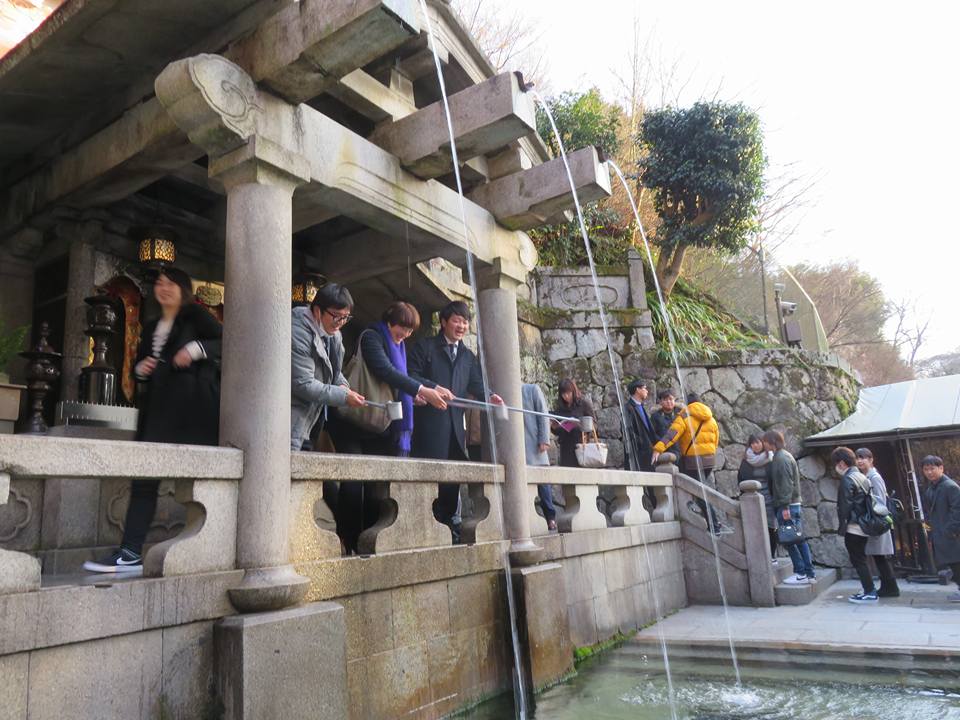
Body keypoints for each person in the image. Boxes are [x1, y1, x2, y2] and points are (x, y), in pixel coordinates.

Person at [85, 267, 222, 573]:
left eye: (170, 283)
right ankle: (130, 551)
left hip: (193, 412)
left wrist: (195, 349)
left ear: (183, 289)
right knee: (144, 479)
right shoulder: (151, 327)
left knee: (202, 482)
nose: (163, 288)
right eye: (160, 283)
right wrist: (141, 370)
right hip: (157, 411)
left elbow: (227, 341)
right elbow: (139, 367)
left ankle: (211, 547)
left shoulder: (196, 317)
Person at [331, 301, 450, 553]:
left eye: (410, 330)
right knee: (353, 482)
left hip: (379, 424)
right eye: (402, 328)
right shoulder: (372, 337)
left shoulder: (400, 346)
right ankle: (347, 541)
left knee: (376, 485)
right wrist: (422, 390)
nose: (405, 334)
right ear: (389, 321)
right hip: (352, 420)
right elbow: (385, 370)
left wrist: (427, 388)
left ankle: (368, 540)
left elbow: (402, 376)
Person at [408, 301, 501, 534]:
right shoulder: (425, 347)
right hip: (428, 428)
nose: (461, 326)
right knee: (428, 479)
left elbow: (475, 383)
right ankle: (427, 529)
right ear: (443, 322)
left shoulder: (467, 356)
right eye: (457, 320)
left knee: (451, 482)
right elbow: (410, 375)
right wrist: (432, 387)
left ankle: (449, 528)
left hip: (456, 431)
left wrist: (489, 396)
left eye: (465, 322)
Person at [290, 282, 365, 452]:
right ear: (317, 311)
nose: (341, 322)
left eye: (346, 317)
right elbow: (303, 384)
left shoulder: (333, 333)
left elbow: (334, 372)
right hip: (291, 419)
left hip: (313, 417)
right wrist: (343, 397)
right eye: (337, 316)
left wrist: (343, 387)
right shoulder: (298, 333)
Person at [767, 430, 816, 586]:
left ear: (772, 442)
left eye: (766, 442)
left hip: (787, 505)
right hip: (790, 504)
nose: (764, 445)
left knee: (792, 540)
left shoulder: (781, 458)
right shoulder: (783, 456)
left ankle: (803, 572)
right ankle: (807, 572)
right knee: (796, 539)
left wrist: (784, 506)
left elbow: (786, 484)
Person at [833, 446, 878, 603]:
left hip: (854, 526)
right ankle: (868, 589)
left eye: (836, 463)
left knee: (858, 559)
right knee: (861, 559)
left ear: (841, 463)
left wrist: (842, 527)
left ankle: (869, 591)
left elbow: (844, 506)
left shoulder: (848, 479)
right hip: (863, 523)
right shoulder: (860, 476)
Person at [855, 448, 900, 597]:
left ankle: (891, 587)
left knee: (880, 555)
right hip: (875, 520)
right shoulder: (867, 476)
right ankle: (888, 586)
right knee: (878, 555)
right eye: (857, 458)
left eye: (863, 458)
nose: (860, 461)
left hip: (878, 521)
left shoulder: (874, 477)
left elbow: (879, 500)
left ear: (871, 459)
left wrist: (873, 518)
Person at [651, 393, 719, 483]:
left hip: (692, 461)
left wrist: (658, 449)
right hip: (709, 461)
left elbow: (671, 435)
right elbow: (716, 440)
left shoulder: (684, 417)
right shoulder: (711, 419)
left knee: (692, 486)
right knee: (700, 485)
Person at [920, 455, 960, 603]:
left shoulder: (950, 486)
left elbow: (957, 510)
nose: (929, 472)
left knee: (956, 563)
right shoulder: (932, 487)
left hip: (952, 534)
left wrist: (951, 530)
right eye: (926, 469)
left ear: (941, 468)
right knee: (953, 564)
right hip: (941, 532)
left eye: (932, 468)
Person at [738, 434, 778, 562]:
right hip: (753, 499)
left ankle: (772, 555)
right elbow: (740, 479)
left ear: (763, 443)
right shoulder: (746, 461)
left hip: (769, 498)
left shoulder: (770, 458)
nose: (755, 445)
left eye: (758, 442)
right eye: (753, 443)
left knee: (771, 528)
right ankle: (758, 556)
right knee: (755, 528)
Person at [522, 383, 556, 531]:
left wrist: (544, 439)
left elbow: (543, 414)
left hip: (534, 445)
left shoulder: (531, 390)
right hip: (517, 447)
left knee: (544, 485)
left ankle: (550, 518)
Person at [551, 377, 595, 469]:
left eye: (568, 393)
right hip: (565, 447)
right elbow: (557, 431)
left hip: (581, 446)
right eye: (563, 394)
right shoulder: (560, 408)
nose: (566, 396)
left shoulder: (583, 404)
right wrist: (554, 427)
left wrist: (577, 425)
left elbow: (593, 424)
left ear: (573, 391)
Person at [623, 379, 657, 472]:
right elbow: (627, 431)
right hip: (638, 453)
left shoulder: (641, 406)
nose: (647, 391)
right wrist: (642, 443)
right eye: (644, 388)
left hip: (648, 452)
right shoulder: (628, 408)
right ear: (638, 390)